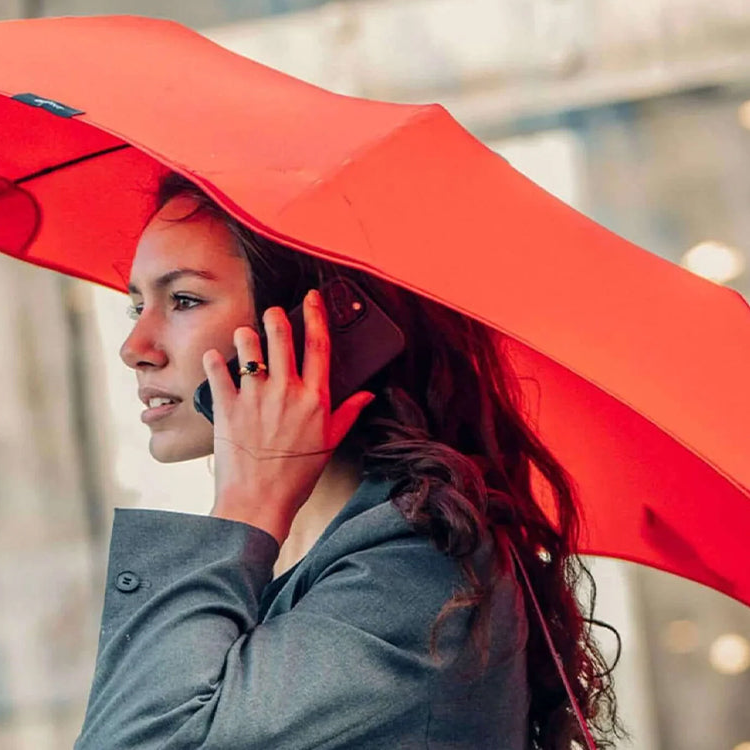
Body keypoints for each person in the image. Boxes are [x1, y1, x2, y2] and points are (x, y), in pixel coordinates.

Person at [74, 172, 620, 749]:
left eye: (183, 299)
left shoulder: (415, 576)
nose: (135, 348)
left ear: (317, 330)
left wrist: (246, 504)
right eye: (138, 304)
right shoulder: (293, 566)